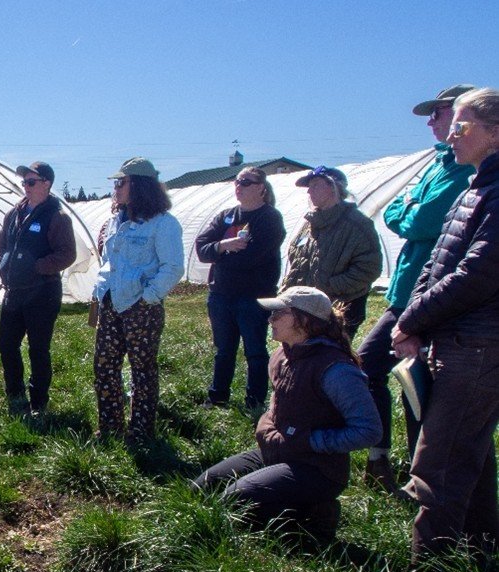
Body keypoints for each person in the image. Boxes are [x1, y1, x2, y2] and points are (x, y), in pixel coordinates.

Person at [392, 87, 499, 569]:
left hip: (476, 345)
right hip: (455, 338)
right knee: (469, 462)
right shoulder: (476, 186)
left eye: (461, 126)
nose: (450, 136)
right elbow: (435, 263)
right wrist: (411, 317)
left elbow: (478, 272)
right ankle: (481, 560)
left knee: (440, 463)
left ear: (495, 133)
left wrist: (414, 319)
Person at [356, 85, 475, 495]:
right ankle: (381, 457)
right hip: (405, 292)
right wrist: (408, 210)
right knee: (373, 368)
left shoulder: (466, 170)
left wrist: (408, 210)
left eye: (438, 113)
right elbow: (396, 209)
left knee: (419, 387)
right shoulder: (438, 165)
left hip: (435, 299)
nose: (431, 122)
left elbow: (421, 220)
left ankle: (422, 474)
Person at [193, 286, 381, 546]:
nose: (270, 319)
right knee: (204, 487)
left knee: (234, 502)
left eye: (279, 313)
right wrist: (269, 423)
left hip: (316, 467)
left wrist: (311, 441)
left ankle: (314, 512)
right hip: (279, 450)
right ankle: (289, 503)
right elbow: (281, 399)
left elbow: (369, 430)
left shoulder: (336, 370)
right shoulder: (284, 353)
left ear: (304, 321)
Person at [92, 157, 184, 443]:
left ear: (140, 185)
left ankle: (141, 432)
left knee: (142, 369)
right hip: (110, 302)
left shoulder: (163, 224)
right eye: (115, 183)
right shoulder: (114, 221)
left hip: (141, 307)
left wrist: (149, 297)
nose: (116, 188)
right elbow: (108, 261)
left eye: (122, 182)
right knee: (104, 365)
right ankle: (110, 428)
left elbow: (173, 267)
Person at [194, 166, 286, 411]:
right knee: (224, 350)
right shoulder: (226, 215)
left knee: (255, 350)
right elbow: (201, 248)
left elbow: (252, 257)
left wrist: (219, 253)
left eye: (246, 182)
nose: (239, 186)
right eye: (237, 181)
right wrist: (225, 245)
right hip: (221, 294)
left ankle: (255, 402)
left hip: (253, 296)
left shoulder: (269, 218)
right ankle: (218, 397)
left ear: (261, 188)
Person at [0, 161, 77, 417]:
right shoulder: (15, 213)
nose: (26, 187)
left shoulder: (56, 216)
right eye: (24, 183)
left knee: (38, 348)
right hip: (15, 292)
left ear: (46, 184)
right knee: (6, 344)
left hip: (42, 291)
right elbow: (1, 242)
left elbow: (67, 254)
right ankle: (15, 393)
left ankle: (38, 401)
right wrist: (3, 262)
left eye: (31, 182)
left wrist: (37, 267)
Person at [282, 165, 382, 341]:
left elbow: (369, 268)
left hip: (339, 308)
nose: (309, 192)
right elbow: (295, 257)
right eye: (309, 187)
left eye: (315, 185)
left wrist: (328, 286)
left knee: (328, 357)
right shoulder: (310, 224)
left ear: (333, 187)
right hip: (304, 307)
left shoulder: (357, 224)